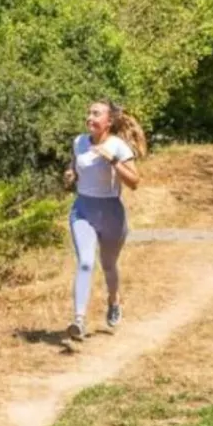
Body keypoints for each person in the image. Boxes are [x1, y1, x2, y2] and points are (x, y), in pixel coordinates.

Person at [62, 100, 146, 341]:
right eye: (88, 113)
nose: (90, 118)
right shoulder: (79, 142)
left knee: (108, 264)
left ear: (108, 122)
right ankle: (78, 320)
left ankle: (114, 300)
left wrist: (113, 161)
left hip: (110, 212)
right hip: (83, 209)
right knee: (86, 262)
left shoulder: (118, 146)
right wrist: (70, 175)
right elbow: (75, 168)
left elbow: (134, 183)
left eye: (96, 114)